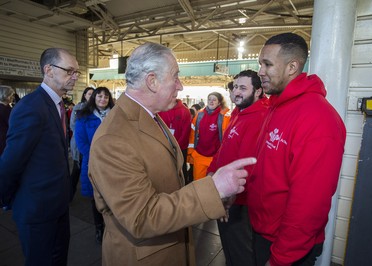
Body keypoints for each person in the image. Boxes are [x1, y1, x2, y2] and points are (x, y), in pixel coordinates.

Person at [87, 42, 256, 265]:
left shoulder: (150, 117)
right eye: (175, 77)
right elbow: (141, 217)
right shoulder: (114, 138)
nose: (181, 86)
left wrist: (216, 191)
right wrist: (213, 189)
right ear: (152, 81)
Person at [247, 32, 346, 266]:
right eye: (260, 63)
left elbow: (310, 203)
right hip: (264, 232)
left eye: (267, 64)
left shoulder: (318, 118)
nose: (260, 71)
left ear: (292, 67)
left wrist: (282, 258)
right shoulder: (277, 107)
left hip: (287, 247)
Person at [0, 48, 80, 265]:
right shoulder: (31, 106)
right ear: (49, 70)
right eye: (70, 71)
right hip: (37, 210)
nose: (75, 77)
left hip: (57, 205)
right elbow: (11, 162)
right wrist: (8, 198)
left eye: (77, 72)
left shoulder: (57, 103)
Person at [207, 69, 268, 266]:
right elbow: (225, 148)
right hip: (223, 191)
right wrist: (211, 171)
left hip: (238, 200)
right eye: (235, 87)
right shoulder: (238, 113)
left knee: (240, 252)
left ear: (258, 91)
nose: (236, 92)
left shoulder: (260, 117)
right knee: (229, 249)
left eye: (243, 88)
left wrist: (229, 197)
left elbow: (249, 163)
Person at [75, 87, 114, 244]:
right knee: (95, 197)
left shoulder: (116, 116)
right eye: (99, 96)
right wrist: (97, 157)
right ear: (94, 98)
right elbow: (81, 142)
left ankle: (113, 227)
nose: (103, 99)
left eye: (106, 96)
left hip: (113, 163)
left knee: (113, 196)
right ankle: (99, 227)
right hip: (93, 163)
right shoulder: (84, 116)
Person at [188, 92, 230, 180]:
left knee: (213, 185)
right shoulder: (200, 115)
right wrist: (191, 152)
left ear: (219, 103)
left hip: (215, 158)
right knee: (198, 183)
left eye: (214, 100)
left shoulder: (225, 117)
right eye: (209, 99)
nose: (211, 101)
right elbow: (192, 134)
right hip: (199, 155)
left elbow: (228, 139)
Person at [69, 86, 94, 201]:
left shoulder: (96, 108)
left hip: (91, 144)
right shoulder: (78, 108)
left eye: (93, 94)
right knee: (77, 169)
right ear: (84, 95)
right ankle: (69, 195)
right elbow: (73, 125)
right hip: (80, 144)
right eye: (89, 94)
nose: (91, 96)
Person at [158, 98, 192, 183]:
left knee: (181, 169)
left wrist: (176, 147)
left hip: (180, 148)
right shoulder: (161, 108)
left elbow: (185, 132)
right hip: (163, 146)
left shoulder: (184, 111)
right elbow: (157, 127)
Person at [0, 85, 15, 155]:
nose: (13, 97)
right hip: (4, 138)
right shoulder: (3, 109)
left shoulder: (6, 107)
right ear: (5, 95)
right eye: (11, 95)